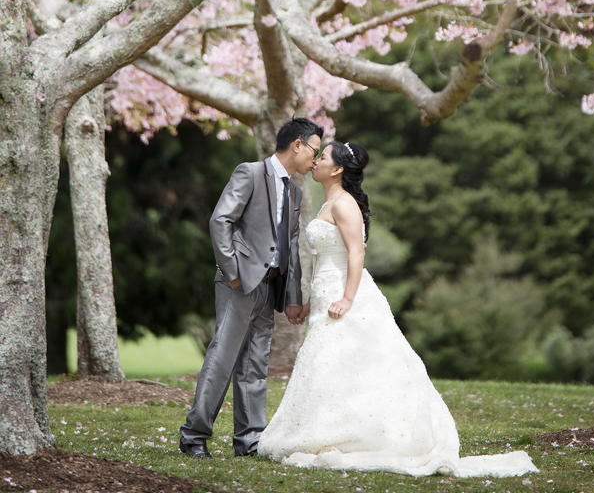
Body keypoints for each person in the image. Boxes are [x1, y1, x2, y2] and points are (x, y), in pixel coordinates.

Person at [257, 140, 538, 479]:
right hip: (326, 293)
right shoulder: (328, 203)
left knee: (343, 360)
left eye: (323, 157)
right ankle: (334, 427)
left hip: (347, 295)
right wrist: (308, 303)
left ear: (337, 170)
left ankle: (361, 434)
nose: (315, 161)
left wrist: (347, 299)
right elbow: (326, 264)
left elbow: (356, 255)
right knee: (332, 365)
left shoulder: (344, 205)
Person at [178, 116, 323, 460]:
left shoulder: (295, 190)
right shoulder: (250, 172)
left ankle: (249, 440)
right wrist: (232, 273)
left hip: (270, 289)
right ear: (297, 144)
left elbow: (290, 245)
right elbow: (221, 220)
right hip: (239, 284)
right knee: (222, 359)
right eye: (314, 151)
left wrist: (292, 296)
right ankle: (194, 435)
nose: (315, 160)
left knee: (255, 365)